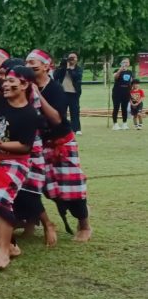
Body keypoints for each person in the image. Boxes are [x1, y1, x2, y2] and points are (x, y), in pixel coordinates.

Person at [25, 49, 92, 243]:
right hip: (39, 145)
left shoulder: (55, 89)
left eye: (33, 62)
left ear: (47, 66)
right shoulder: (23, 86)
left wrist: (38, 95)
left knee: (71, 187)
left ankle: (85, 224)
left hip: (61, 143)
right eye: (27, 63)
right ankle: (31, 223)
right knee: (39, 186)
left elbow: (55, 118)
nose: (29, 66)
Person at [0, 67, 40, 270]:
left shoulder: (30, 114)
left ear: (25, 85)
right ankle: (11, 245)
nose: (6, 84)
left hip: (15, 162)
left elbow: (25, 146)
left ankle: (3, 253)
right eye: (5, 80)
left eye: (12, 81)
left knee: (2, 200)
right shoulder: (0, 102)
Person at [53, 52, 83, 135]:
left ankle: (76, 129)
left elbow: (76, 77)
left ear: (77, 59)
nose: (72, 59)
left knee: (75, 111)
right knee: (62, 112)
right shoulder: (63, 68)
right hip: (63, 93)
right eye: (70, 57)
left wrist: (69, 69)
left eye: (74, 58)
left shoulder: (78, 69)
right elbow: (55, 76)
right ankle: (64, 128)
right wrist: (63, 67)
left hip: (74, 93)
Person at [112, 58, 134, 130]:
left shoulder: (130, 72)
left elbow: (131, 82)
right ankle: (115, 124)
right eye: (123, 62)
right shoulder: (117, 70)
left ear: (129, 64)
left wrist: (132, 90)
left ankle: (124, 123)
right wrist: (120, 70)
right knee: (116, 107)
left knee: (124, 108)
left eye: (126, 62)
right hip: (117, 91)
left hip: (126, 91)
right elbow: (115, 77)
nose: (125, 63)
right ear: (121, 63)